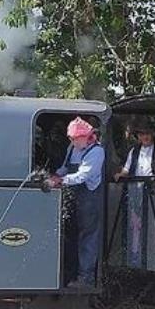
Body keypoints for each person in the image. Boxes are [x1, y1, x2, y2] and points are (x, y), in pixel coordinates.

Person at [49, 117, 105, 288]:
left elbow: (82, 176)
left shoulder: (97, 152)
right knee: (70, 236)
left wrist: (60, 181)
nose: (71, 141)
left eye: (74, 138)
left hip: (90, 199)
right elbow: (65, 167)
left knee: (88, 237)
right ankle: (69, 274)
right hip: (73, 196)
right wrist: (55, 176)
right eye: (70, 138)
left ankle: (86, 277)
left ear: (84, 136)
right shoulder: (72, 148)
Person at [113, 118, 155, 268]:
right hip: (136, 192)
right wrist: (120, 175)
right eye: (142, 134)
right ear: (138, 136)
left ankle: (154, 258)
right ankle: (135, 255)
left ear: (153, 134)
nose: (145, 137)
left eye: (148, 133)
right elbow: (126, 169)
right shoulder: (134, 150)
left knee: (154, 224)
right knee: (135, 223)